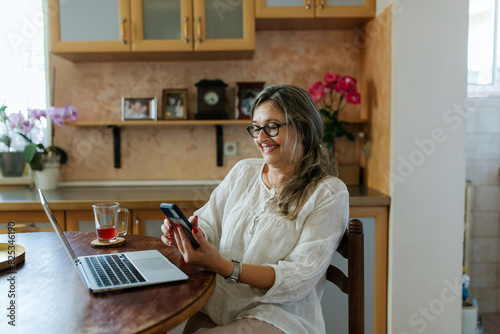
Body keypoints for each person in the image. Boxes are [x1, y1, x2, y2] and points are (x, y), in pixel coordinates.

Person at [161, 85, 349, 334]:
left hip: (277, 315)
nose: (261, 138)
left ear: (303, 128)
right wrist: (189, 234)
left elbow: (298, 278)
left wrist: (223, 267)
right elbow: (209, 221)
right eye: (256, 128)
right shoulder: (243, 171)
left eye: (272, 127)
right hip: (217, 306)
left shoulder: (328, 193)